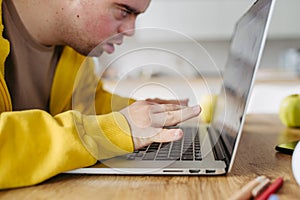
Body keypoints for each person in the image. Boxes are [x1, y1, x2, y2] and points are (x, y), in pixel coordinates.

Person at [0, 0, 201, 189]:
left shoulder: (75, 53)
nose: (130, 30)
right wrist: (116, 129)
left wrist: (146, 115)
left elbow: (86, 104)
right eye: (124, 11)